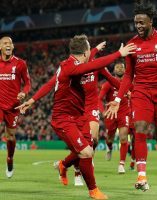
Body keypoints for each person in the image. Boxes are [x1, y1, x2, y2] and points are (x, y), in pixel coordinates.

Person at [16, 34, 135, 199]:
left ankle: (63, 165)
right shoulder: (71, 67)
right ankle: (93, 190)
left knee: (88, 149)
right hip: (64, 119)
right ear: (85, 52)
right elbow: (55, 81)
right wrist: (118, 54)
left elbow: (53, 82)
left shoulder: (70, 64)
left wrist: (32, 100)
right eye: (89, 51)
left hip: (80, 116)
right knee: (86, 152)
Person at [105, 2, 157, 191]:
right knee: (140, 128)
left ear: (151, 21)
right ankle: (142, 176)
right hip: (140, 91)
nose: (139, 26)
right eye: (136, 23)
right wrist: (118, 100)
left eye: (142, 22)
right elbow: (127, 75)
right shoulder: (132, 45)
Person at [0, 36, 31, 178]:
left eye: (10, 43)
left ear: (12, 47)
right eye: (5, 43)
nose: (8, 45)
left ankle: (10, 159)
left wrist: (23, 93)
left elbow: (28, 84)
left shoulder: (20, 64)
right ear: (0, 47)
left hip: (13, 106)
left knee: (10, 136)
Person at [99, 60, 131, 174]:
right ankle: (109, 147)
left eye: (122, 67)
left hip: (124, 113)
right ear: (114, 70)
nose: (120, 69)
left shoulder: (129, 83)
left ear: (125, 69)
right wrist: (103, 111)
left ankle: (121, 164)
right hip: (111, 114)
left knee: (123, 138)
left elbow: (135, 95)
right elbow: (99, 99)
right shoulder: (108, 84)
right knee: (110, 138)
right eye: (117, 68)